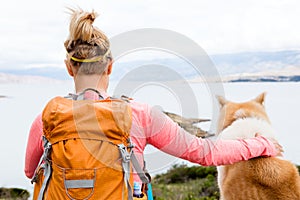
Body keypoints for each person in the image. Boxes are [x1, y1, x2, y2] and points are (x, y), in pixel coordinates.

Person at [25, 8, 282, 199]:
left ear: (69, 68)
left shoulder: (48, 117)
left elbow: (29, 171)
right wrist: (260, 144)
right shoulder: (139, 114)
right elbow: (205, 153)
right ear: (111, 66)